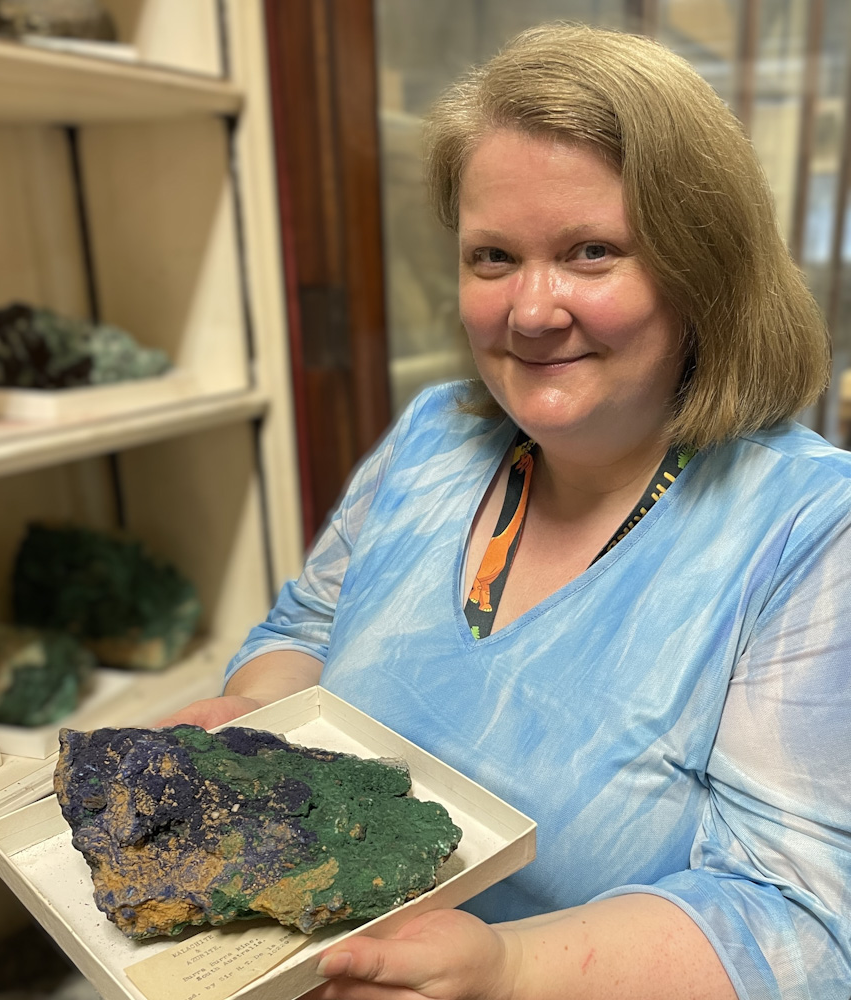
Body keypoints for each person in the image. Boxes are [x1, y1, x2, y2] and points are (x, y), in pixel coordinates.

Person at [161, 22, 851, 1000]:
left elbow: (804, 928)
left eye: (590, 251)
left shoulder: (808, 531)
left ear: (702, 270)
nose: (530, 310)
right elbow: (304, 628)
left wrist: (509, 969)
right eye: (492, 256)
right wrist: (251, 715)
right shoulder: (432, 440)